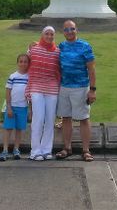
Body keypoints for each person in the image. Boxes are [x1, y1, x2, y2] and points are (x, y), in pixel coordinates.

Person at [55, 19, 97, 162]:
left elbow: (91, 69)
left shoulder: (85, 46)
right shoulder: (61, 46)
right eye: (66, 29)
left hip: (80, 87)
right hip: (64, 87)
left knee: (84, 118)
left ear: (76, 30)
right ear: (63, 32)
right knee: (66, 118)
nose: (69, 32)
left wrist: (92, 90)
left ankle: (86, 150)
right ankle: (67, 148)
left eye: (72, 29)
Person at [25, 26, 61, 161]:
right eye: (47, 34)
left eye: (52, 34)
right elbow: (26, 63)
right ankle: (35, 151)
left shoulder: (57, 51)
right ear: (42, 35)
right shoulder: (34, 49)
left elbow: (59, 70)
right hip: (36, 88)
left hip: (52, 89)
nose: (49, 36)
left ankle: (46, 150)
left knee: (50, 120)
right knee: (38, 119)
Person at [0, 53, 30, 161]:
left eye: (25, 61)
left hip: (23, 107)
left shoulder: (29, 77)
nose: (23, 63)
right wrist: (9, 107)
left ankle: (16, 149)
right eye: (21, 61)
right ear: (17, 63)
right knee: (8, 128)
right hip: (12, 107)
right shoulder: (13, 76)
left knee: (19, 129)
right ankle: (5, 150)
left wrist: (30, 109)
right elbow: (8, 92)